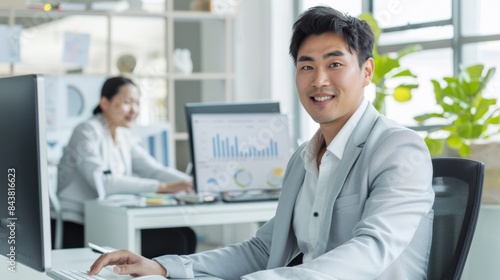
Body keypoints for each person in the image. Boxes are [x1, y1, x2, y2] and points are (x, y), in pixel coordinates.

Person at [89, 6, 435, 279]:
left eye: (335, 64)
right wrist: (163, 268)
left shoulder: (398, 149)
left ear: (366, 71)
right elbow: (261, 249)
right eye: (306, 66)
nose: (319, 81)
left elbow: (372, 249)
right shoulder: (304, 157)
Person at [54, 76, 197, 258]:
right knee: (175, 240)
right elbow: (103, 182)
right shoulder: (86, 131)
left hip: (110, 219)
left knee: (186, 234)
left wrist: (192, 182)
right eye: (127, 102)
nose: (134, 110)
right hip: (78, 224)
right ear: (105, 103)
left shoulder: (124, 134)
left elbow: (152, 169)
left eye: (137, 103)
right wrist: (163, 188)